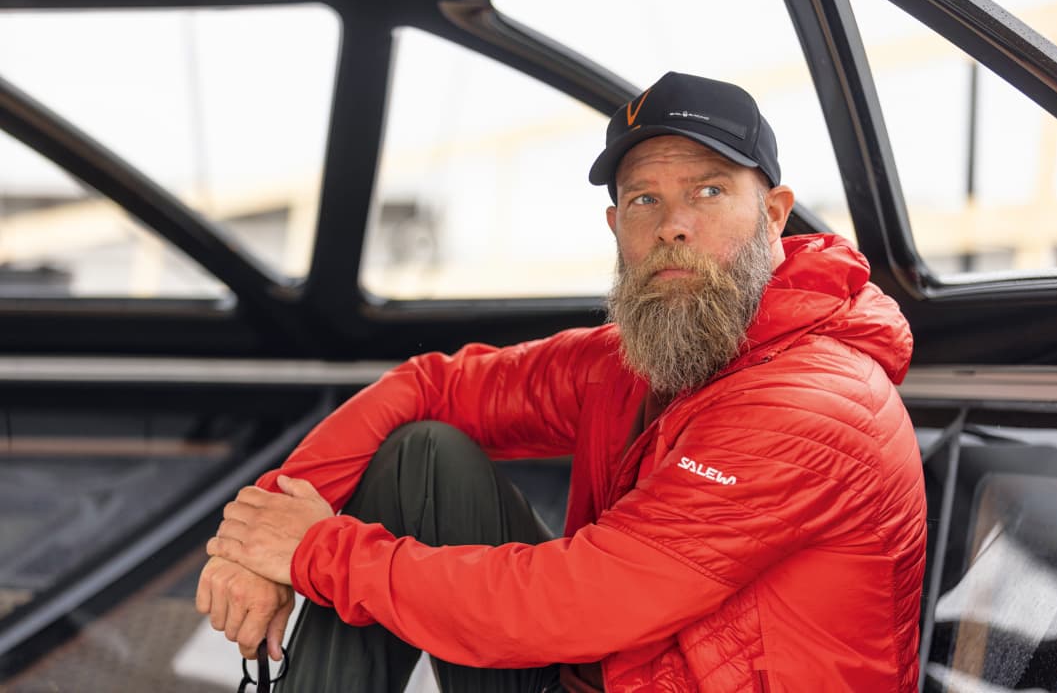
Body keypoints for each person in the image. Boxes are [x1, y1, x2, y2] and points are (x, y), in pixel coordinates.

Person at [196, 71, 926, 691]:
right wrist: (261, 537)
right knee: (422, 457)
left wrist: (309, 552)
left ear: (772, 216)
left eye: (708, 191)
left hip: (599, 642)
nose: (673, 223)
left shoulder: (812, 406)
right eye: (644, 199)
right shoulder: (638, 358)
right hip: (603, 674)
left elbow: (576, 605)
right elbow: (431, 385)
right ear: (616, 227)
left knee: (338, 553)